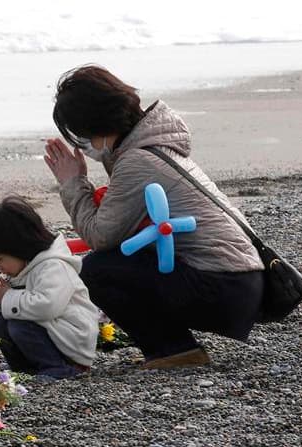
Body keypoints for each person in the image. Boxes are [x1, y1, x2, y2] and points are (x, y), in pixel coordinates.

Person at [43, 64, 264, 369]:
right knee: (114, 263)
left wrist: (72, 183)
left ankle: (173, 350)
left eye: (81, 136)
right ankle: (174, 347)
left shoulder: (137, 161)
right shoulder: (152, 146)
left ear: (97, 125)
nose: (83, 145)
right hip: (241, 283)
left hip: (223, 288)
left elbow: (99, 236)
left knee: (95, 268)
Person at [0, 195, 99, 380]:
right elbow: (18, 303)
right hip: (53, 331)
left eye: (0, 259)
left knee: (19, 326)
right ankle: (24, 368)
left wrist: (6, 297)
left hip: (72, 342)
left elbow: (46, 307)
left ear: (20, 247)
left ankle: (59, 368)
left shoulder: (54, 266)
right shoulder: (24, 266)